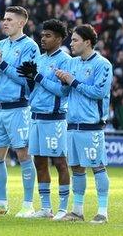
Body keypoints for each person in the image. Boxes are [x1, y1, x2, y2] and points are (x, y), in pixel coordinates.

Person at [0, 6, 39, 217]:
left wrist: (1, 64)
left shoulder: (30, 47)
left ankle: (27, 204)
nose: (4, 23)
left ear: (21, 23)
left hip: (18, 107)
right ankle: (1, 203)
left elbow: (26, 78)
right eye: (4, 19)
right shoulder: (0, 45)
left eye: (9, 20)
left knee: (23, 154)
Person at [55, 25, 113, 224]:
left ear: (87, 42)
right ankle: (77, 212)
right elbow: (66, 92)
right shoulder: (72, 63)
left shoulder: (103, 64)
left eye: (75, 40)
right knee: (77, 168)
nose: (71, 43)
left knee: (98, 167)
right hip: (71, 125)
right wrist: (63, 81)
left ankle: (102, 212)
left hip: (91, 126)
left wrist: (72, 81)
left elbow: (98, 92)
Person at [17, 19, 72, 220]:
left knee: (60, 162)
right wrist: (30, 80)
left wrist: (38, 77)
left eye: (48, 35)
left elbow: (63, 91)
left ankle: (63, 208)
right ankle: (46, 208)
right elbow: (31, 91)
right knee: (39, 162)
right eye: (42, 35)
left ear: (58, 38)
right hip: (36, 117)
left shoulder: (66, 61)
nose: (43, 38)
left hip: (55, 119)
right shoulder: (39, 60)